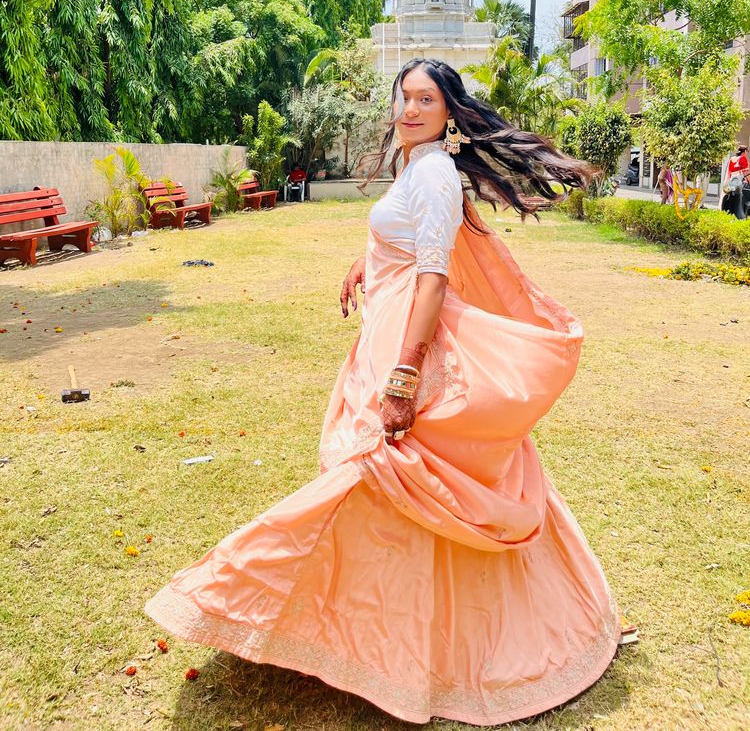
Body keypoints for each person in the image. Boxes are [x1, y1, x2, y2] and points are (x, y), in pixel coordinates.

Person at [145, 58, 624, 726]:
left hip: (409, 349)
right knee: (395, 490)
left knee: (384, 473)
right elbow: (407, 245)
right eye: (403, 97)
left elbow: (433, 279)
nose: (408, 108)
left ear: (449, 111)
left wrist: (404, 377)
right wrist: (365, 263)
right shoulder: (421, 167)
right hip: (388, 330)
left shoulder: (433, 174)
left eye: (424, 99)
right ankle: (374, 630)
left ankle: (242, 589)